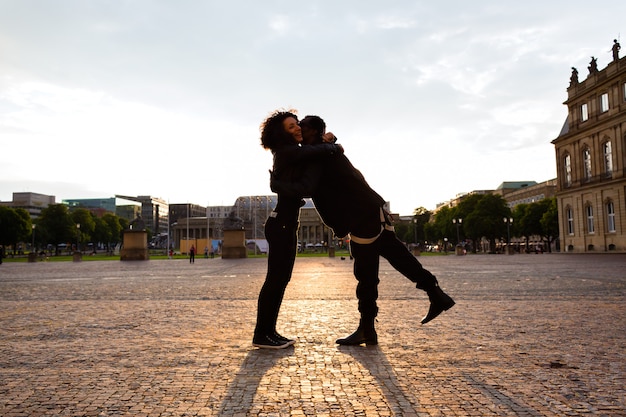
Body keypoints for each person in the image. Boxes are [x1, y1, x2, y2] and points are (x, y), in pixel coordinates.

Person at [272, 115, 454, 346]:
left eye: (303, 126)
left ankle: (367, 328)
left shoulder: (319, 154)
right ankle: (435, 293)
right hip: (370, 210)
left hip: (361, 217)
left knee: (366, 275)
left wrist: (276, 185)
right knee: (399, 258)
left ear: (315, 131)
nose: (299, 129)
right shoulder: (324, 150)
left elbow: (307, 187)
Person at [254, 110, 343, 349]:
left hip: (284, 223)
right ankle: (262, 334)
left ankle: (269, 331)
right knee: (275, 280)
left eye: (297, 124)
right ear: (282, 132)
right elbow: (314, 157)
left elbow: (313, 154)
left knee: (280, 280)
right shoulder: (287, 151)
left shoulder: (292, 153)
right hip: (281, 223)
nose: (297, 129)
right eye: (291, 126)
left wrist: (330, 142)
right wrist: (333, 145)